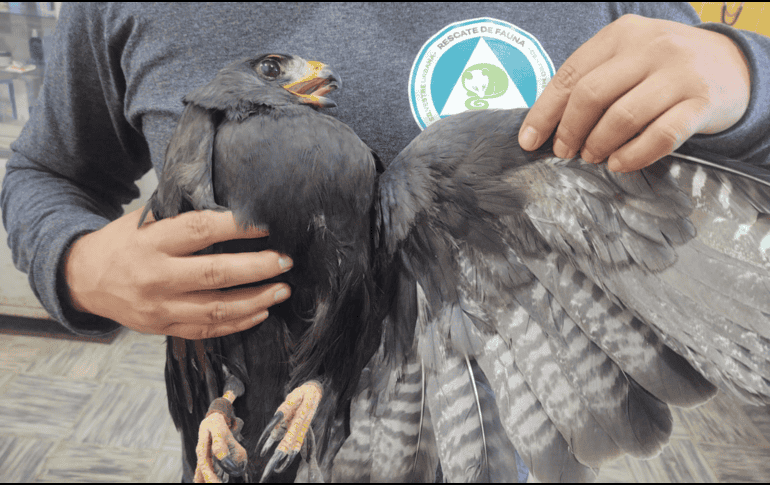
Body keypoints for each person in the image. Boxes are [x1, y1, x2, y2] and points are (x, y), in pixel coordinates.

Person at [1, 3, 768, 341]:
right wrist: (76, 264)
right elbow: (44, 172)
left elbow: (733, 162)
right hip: (245, 442)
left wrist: (745, 76)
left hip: (499, 445)